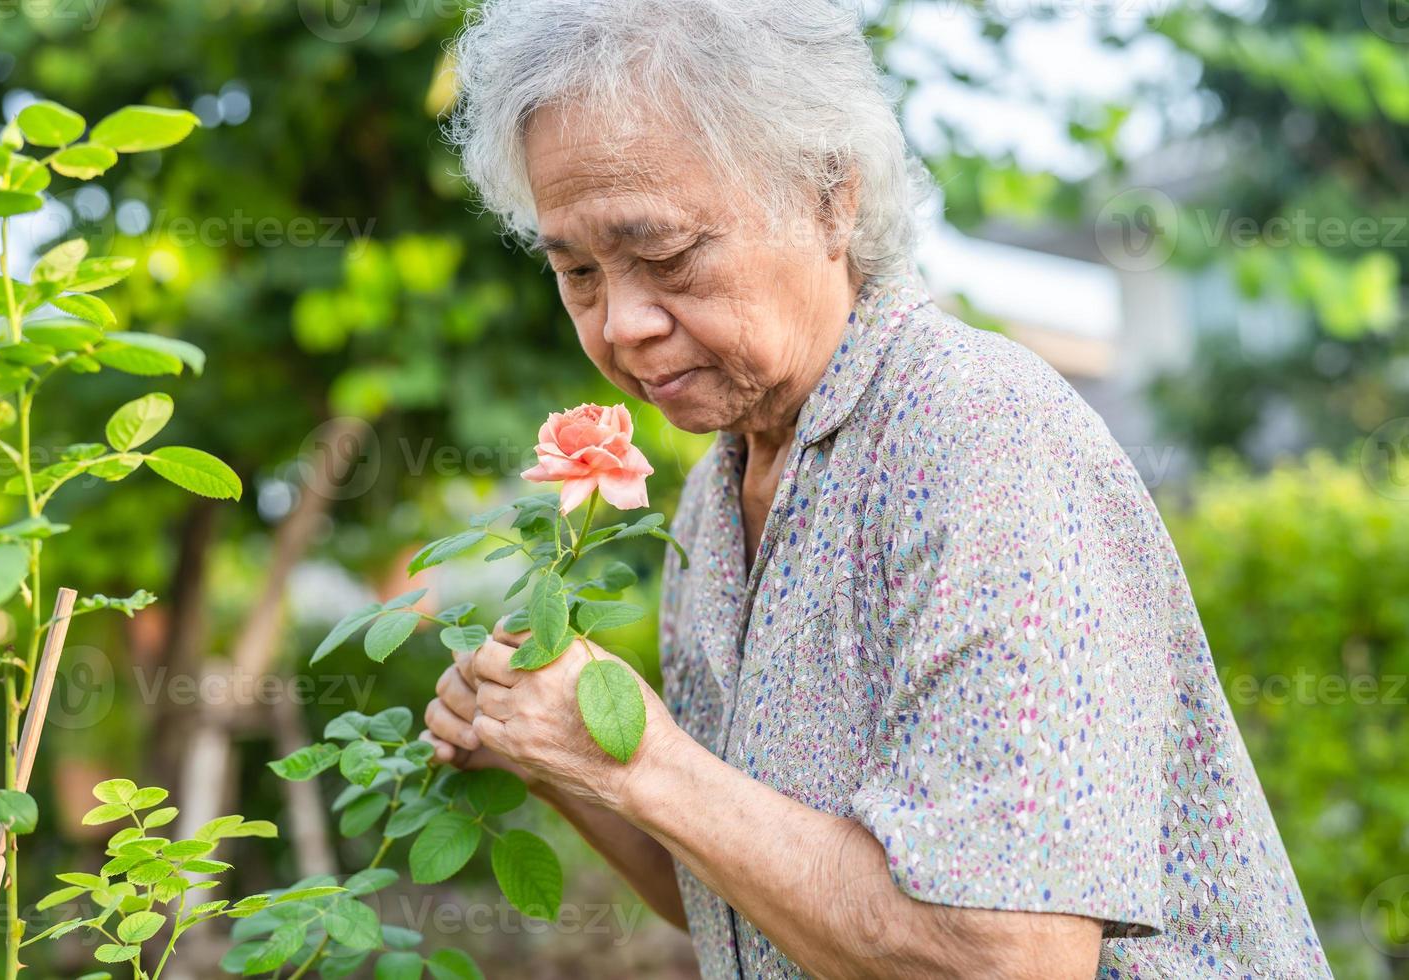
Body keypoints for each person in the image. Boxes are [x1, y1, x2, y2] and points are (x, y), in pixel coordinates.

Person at [424, 1, 1328, 976]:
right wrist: (559, 749)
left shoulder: (976, 440)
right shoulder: (720, 493)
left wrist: (632, 755)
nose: (625, 320)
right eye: (579, 271)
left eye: (667, 254)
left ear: (828, 198)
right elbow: (742, 893)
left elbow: (1000, 957)